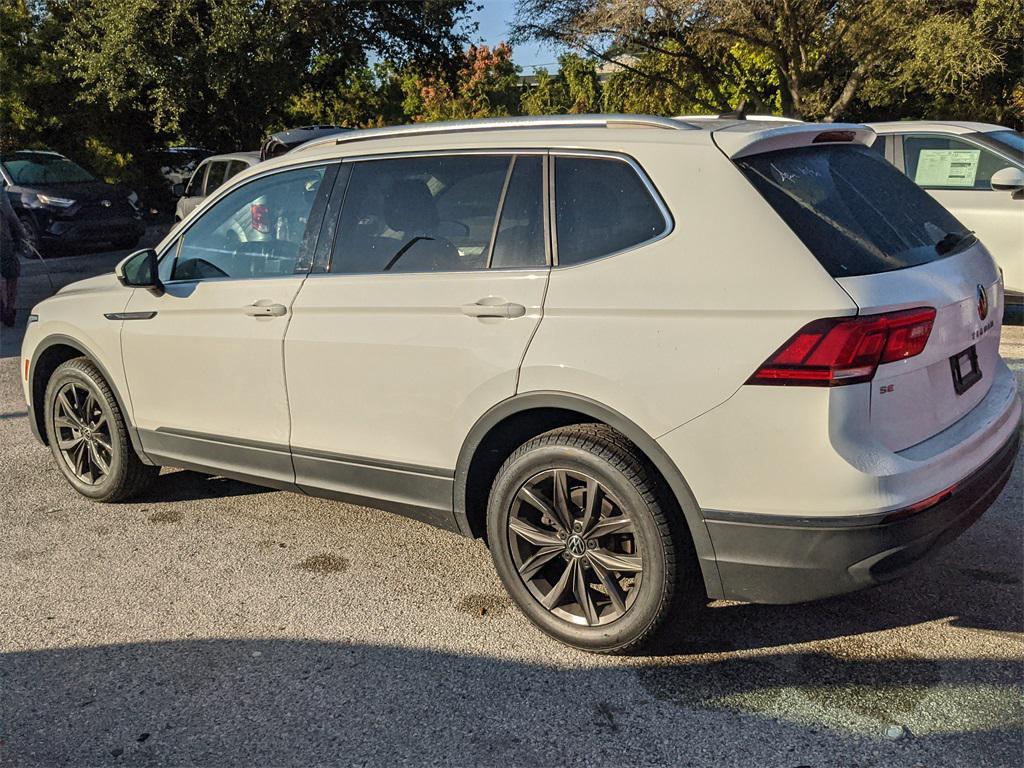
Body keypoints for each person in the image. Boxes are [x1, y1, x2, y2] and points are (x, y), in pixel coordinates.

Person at [0, 181, 29, 327]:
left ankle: (4, 308)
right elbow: (9, 212)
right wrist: (21, 233)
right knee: (11, 273)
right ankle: (9, 309)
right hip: (2, 239)